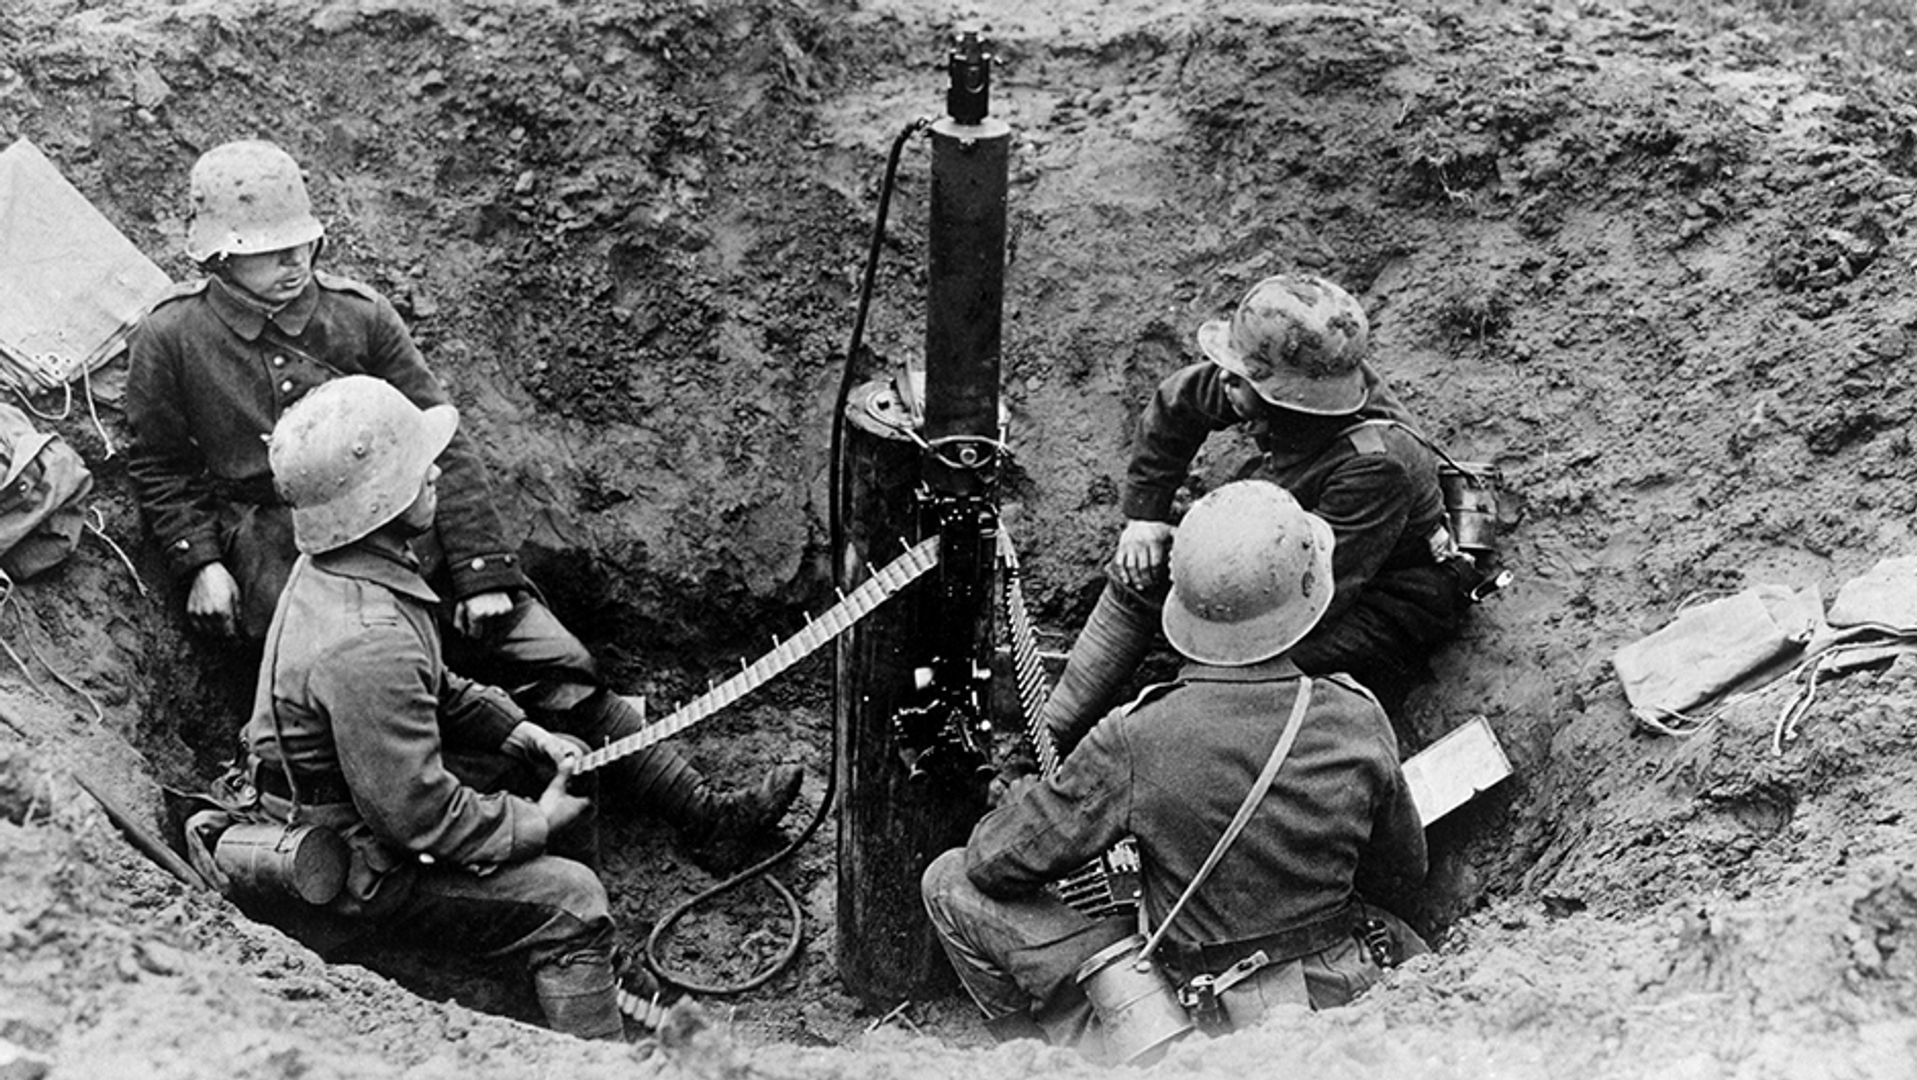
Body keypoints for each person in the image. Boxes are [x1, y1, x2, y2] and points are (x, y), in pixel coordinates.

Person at [126, 139, 798, 852]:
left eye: (303, 245)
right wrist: (201, 562)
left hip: (411, 529)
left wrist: (481, 570)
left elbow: (437, 438)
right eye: (270, 252)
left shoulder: (360, 316)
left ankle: (704, 813)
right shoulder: (173, 337)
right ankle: (498, 827)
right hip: (288, 558)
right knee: (385, 702)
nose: (295, 264)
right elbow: (160, 464)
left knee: (551, 663)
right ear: (220, 257)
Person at [921, 480, 1428, 1059]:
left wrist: (1023, 803)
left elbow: (993, 865)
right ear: (1306, 599)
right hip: (1334, 992)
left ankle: (1038, 1061)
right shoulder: (1358, 714)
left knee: (949, 880)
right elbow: (1401, 875)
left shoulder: (1137, 733)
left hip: (1197, 1022)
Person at [202, 376, 640, 1038]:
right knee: (573, 899)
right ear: (378, 501)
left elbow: (430, 684)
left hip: (357, 803)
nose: (435, 473)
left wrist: (519, 731)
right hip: (356, 873)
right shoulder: (365, 639)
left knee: (556, 766)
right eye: (414, 468)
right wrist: (535, 823)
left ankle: (594, 968)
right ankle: (590, 1037)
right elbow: (418, 819)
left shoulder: (344, 567)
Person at [1040, 272, 1477, 754]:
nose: (1224, 379)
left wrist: (1215, 618)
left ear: (1286, 398)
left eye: (1240, 376)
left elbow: (1316, 596)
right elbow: (1179, 405)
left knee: (1238, 669)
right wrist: (1146, 517)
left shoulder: (1376, 465)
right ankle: (1049, 731)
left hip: (1379, 601)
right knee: (1145, 572)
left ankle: (1156, 747)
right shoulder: (1272, 381)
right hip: (1296, 536)